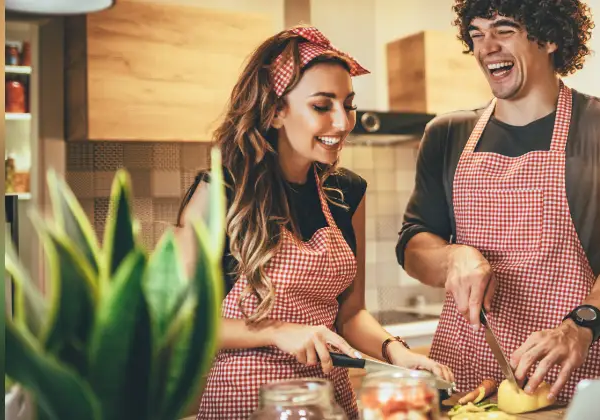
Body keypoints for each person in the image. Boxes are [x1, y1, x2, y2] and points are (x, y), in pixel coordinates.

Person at [396, 0, 600, 404]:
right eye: (476, 34)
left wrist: (578, 327)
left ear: (552, 37)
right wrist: (452, 256)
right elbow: (413, 245)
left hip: (566, 375)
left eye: (503, 30)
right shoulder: (445, 133)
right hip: (460, 373)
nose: (486, 46)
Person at [177, 25, 452, 419]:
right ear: (275, 111)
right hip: (247, 403)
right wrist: (277, 331)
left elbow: (351, 314)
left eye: (348, 104)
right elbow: (183, 325)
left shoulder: (346, 193)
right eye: (322, 106)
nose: (342, 122)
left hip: (328, 402)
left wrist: (399, 354)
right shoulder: (220, 194)